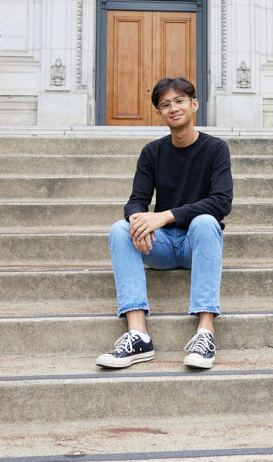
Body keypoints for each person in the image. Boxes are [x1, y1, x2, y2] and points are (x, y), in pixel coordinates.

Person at [96, 77, 233, 370]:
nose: (173, 108)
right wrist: (138, 221)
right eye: (165, 104)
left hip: (197, 244)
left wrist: (164, 216)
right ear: (160, 113)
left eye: (180, 101)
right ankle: (138, 334)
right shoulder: (152, 152)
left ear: (194, 104)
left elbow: (221, 202)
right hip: (163, 246)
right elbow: (136, 201)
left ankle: (205, 332)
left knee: (207, 222)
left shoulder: (215, 149)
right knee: (120, 229)